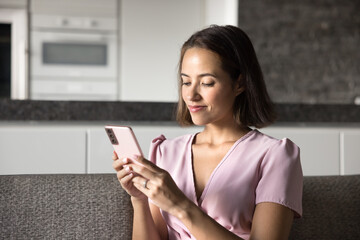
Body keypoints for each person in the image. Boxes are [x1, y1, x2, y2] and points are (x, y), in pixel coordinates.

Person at [112, 25, 303, 240]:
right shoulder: (166, 151)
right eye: (186, 82)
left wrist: (180, 206)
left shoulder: (276, 156)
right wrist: (139, 199)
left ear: (239, 83)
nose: (191, 95)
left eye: (206, 82)